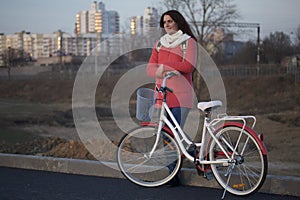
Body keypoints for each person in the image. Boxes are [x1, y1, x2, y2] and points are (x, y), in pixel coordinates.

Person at [146, 10, 198, 186]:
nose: (166, 24)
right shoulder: (160, 44)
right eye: (164, 22)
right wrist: (161, 69)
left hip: (181, 96)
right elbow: (149, 69)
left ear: (178, 22)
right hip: (161, 96)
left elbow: (188, 66)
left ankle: (176, 171)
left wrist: (164, 66)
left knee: (173, 137)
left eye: (170, 21)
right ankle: (173, 173)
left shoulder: (188, 42)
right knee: (165, 137)